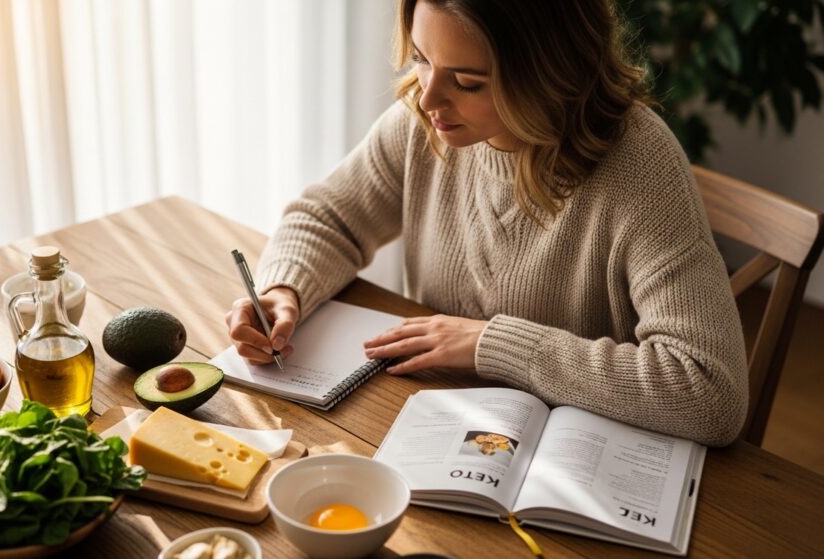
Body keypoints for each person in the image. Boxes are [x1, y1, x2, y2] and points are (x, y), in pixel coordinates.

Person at [224, 0, 748, 446]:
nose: (427, 97)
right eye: (422, 58)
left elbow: (710, 391)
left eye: (467, 82)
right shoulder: (423, 123)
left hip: (579, 452)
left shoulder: (642, 166)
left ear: (551, 73)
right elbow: (329, 217)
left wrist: (493, 346)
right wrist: (284, 289)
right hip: (436, 420)